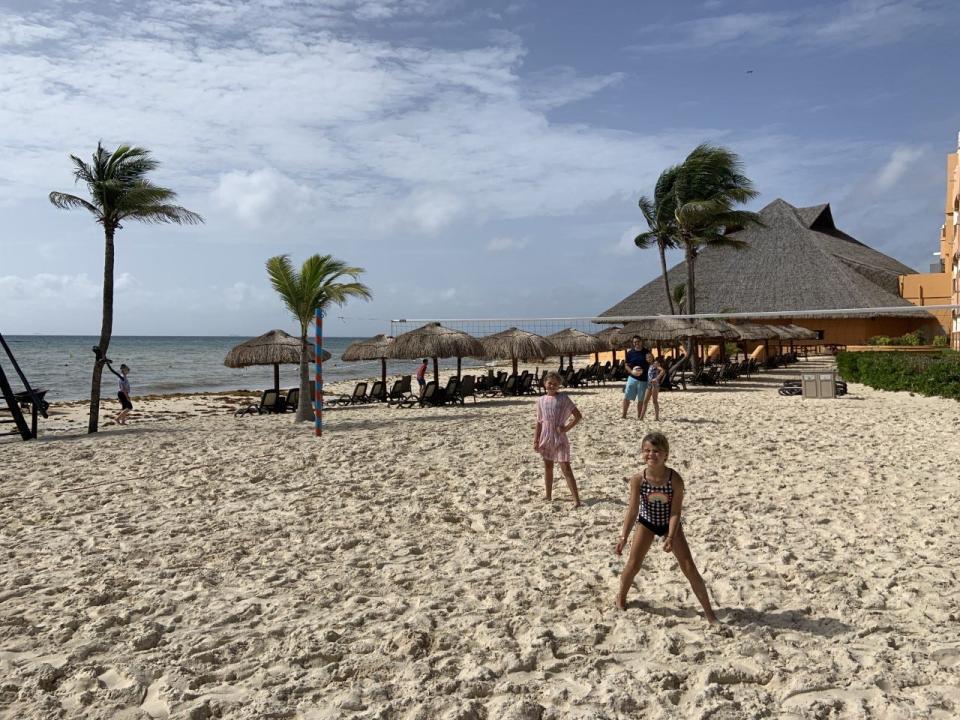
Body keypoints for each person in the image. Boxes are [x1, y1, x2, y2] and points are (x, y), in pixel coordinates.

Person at [614, 432, 717, 623]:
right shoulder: (639, 479)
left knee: (688, 566)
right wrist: (623, 537)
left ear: (666, 454)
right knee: (633, 564)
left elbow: (676, 512)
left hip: (670, 524)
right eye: (646, 451)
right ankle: (620, 597)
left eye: (656, 451)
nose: (651, 455)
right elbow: (632, 510)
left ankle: (709, 612)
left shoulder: (674, 479)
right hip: (646, 523)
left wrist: (670, 536)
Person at [533, 371, 583, 508]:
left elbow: (578, 416)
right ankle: (548, 495)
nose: (552, 386)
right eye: (550, 383)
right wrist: (536, 439)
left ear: (559, 385)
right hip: (545, 436)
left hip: (559, 437)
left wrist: (566, 428)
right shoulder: (541, 400)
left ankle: (576, 500)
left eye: (555, 384)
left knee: (566, 467)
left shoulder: (563, 398)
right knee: (548, 466)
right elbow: (539, 421)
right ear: (544, 384)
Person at [621, 335, 650, 419]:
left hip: (643, 379)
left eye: (638, 341)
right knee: (627, 397)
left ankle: (639, 416)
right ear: (633, 343)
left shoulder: (646, 352)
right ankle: (624, 415)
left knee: (641, 400)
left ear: (641, 341)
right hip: (632, 378)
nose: (636, 343)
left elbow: (651, 362)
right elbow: (626, 365)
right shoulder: (630, 353)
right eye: (635, 342)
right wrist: (631, 372)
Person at [640, 353, 665, 421]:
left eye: (650, 357)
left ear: (653, 357)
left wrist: (656, 378)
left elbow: (662, 371)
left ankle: (656, 417)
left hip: (655, 385)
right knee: (645, 401)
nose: (649, 358)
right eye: (647, 358)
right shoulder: (649, 365)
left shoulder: (655, 363)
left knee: (654, 401)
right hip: (649, 385)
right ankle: (641, 417)